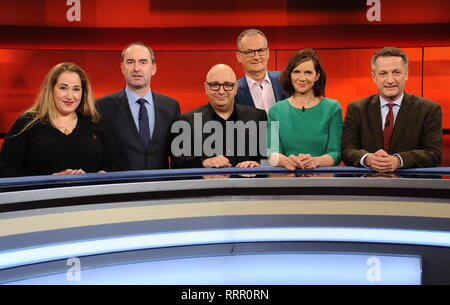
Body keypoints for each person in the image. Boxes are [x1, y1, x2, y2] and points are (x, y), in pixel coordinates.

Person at [0, 62, 119, 177]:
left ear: (83, 93)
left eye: (76, 89)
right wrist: (49, 180)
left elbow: (114, 165)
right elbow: (6, 170)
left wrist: (90, 178)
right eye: (63, 88)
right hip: (41, 196)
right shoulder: (27, 122)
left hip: (88, 195)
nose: (69, 96)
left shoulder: (95, 121)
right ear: (50, 89)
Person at [342, 47, 442, 172]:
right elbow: (347, 150)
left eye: (396, 72)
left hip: (412, 186)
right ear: (374, 77)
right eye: (383, 73)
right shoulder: (357, 108)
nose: (390, 80)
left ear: (406, 74)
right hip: (367, 184)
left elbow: (434, 153)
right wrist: (369, 159)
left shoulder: (428, 109)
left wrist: (398, 160)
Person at [96, 42, 180, 170]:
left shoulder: (171, 106)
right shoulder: (103, 106)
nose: (136, 68)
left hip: (160, 186)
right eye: (130, 62)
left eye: (143, 62)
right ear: (122, 68)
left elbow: (177, 154)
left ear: (153, 69)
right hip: (121, 187)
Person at [171, 64, 267, 169]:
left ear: (235, 88)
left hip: (249, 184)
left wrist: (258, 164)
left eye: (227, 85)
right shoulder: (186, 121)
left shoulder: (258, 117)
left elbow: (272, 158)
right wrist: (204, 162)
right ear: (206, 88)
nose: (221, 91)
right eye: (214, 85)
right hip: (207, 185)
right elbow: (177, 163)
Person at [267, 49, 343, 171]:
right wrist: (287, 161)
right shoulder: (275, 111)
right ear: (290, 75)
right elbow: (272, 152)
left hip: (322, 180)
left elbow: (336, 153)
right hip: (286, 179)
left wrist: (315, 161)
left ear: (317, 76)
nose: (302, 78)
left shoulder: (332, 108)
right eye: (296, 72)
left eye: (308, 72)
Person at [235, 29, 289, 112]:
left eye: (261, 50)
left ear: (267, 53)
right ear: (239, 56)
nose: (256, 57)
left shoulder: (285, 80)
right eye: (250, 52)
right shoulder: (234, 91)